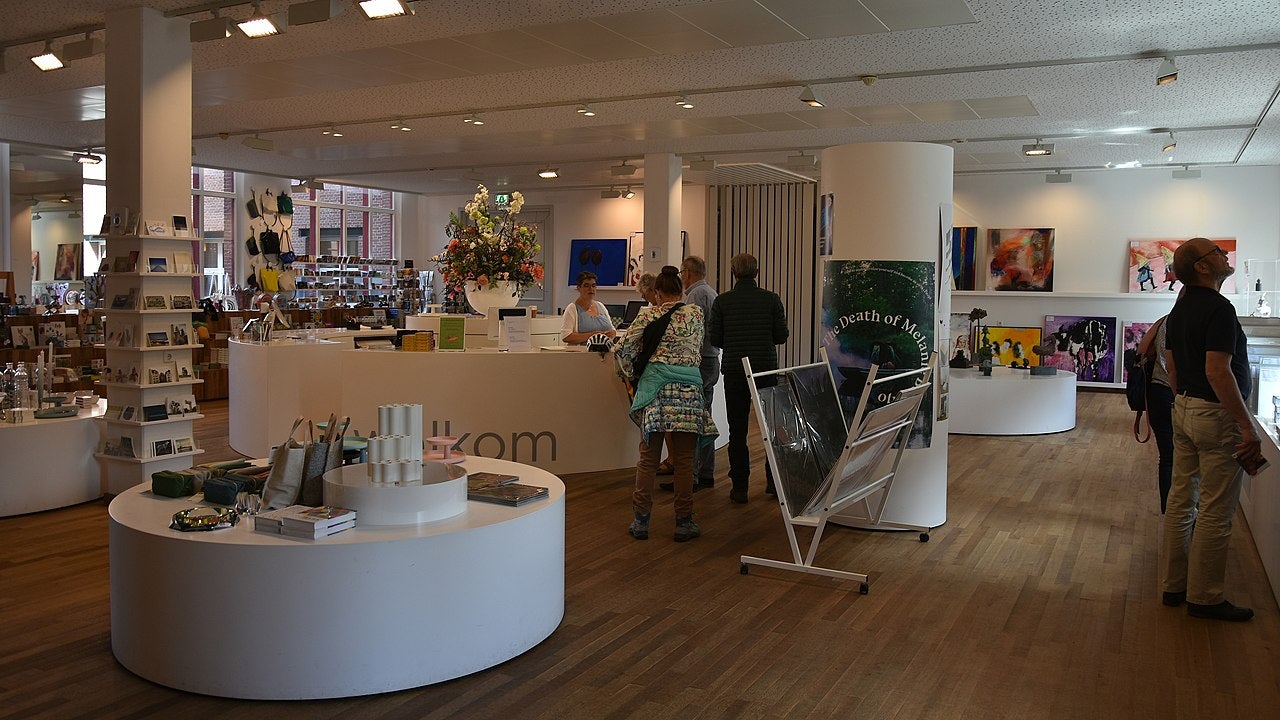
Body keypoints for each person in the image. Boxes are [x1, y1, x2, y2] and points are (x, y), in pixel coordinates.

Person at [1161, 238, 1262, 622]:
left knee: (1182, 499)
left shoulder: (1180, 307)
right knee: (1217, 511)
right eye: (1217, 252)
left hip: (1185, 408)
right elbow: (1218, 371)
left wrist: (1185, 402)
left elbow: (1171, 365)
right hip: (1216, 417)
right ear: (1203, 267)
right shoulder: (1219, 309)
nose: (1224, 256)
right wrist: (1244, 423)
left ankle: (1174, 586)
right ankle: (1204, 598)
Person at [616, 266, 716, 542]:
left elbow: (623, 350)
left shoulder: (648, 314)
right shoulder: (695, 314)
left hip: (655, 393)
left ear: (657, 294)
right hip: (689, 393)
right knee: (684, 461)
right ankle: (683, 522)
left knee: (648, 460)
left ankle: (641, 522)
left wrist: (631, 374)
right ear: (682, 290)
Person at [708, 253, 788, 504]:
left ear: (733, 272)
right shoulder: (771, 299)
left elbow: (715, 339)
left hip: (734, 370)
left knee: (737, 430)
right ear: (756, 272)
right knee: (770, 429)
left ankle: (740, 487)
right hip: (765, 369)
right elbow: (781, 335)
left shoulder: (723, 302)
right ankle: (773, 483)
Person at [659, 257, 719, 490]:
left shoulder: (694, 296)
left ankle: (690, 476)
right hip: (711, 359)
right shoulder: (710, 292)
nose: (681, 276)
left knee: (692, 422)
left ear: (688, 273)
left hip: (699, 361)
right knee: (705, 418)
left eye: (683, 271)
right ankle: (705, 473)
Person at [1136, 312, 1173, 513]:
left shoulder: (1164, 320)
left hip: (1158, 392)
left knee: (1167, 456)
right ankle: (1185, 511)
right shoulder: (1190, 321)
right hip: (1177, 393)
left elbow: (1141, 351)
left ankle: (1169, 510)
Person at [560, 271, 616, 345]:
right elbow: (566, 336)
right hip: (583, 353)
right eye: (586, 286)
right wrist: (591, 335)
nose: (591, 289)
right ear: (579, 288)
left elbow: (613, 330)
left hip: (605, 353)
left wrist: (612, 333)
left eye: (593, 286)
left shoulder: (601, 306)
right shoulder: (572, 309)